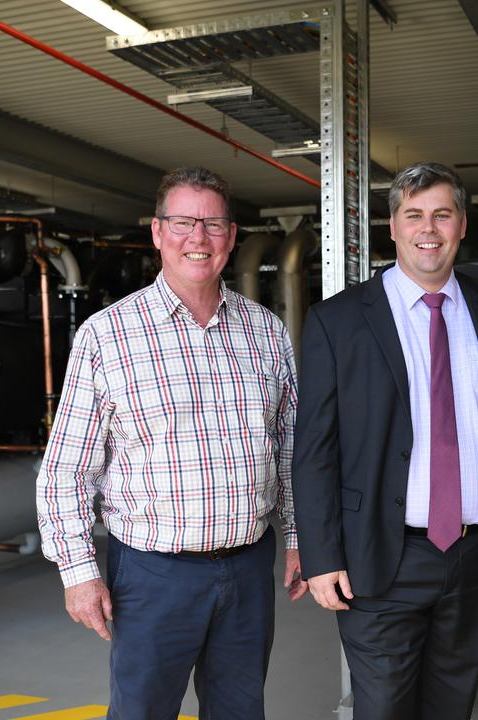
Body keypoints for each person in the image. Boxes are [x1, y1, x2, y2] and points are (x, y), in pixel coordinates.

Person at [36, 166, 306, 720]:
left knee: (239, 710)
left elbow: (289, 449)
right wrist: (79, 573)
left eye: (212, 225)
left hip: (249, 565)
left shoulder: (267, 331)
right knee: (143, 712)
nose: (198, 239)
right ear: (158, 233)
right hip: (154, 575)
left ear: (232, 237)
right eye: (183, 223)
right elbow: (66, 469)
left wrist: (301, 537)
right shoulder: (107, 335)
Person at [293, 161, 478, 720]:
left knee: (451, 704)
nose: (428, 228)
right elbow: (315, 446)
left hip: (477, 551)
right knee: (384, 708)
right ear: (392, 227)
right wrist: (321, 556)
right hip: (380, 555)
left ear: (462, 224)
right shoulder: (338, 321)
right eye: (414, 215)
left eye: (442, 214)